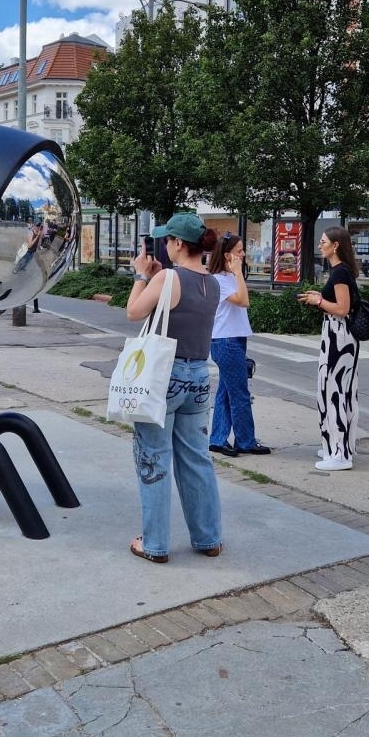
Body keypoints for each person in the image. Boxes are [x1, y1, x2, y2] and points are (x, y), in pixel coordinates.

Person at [124, 213, 222, 563]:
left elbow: (133, 312)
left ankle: (155, 544)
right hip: (198, 376)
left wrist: (140, 275)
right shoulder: (212, 282)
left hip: (164, 377)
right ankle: (208, 537)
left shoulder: (167, 277)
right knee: (197, 459)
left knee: (154, 456)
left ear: (179, 243)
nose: (164, 246)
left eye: (167, 240)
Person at [299, 227, 360, 472]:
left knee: (334, 393)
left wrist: (319, 301)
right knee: (333, 391)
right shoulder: (339, 271)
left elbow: (343, 309)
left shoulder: (340, 272)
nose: (320, 245)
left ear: (336, 245)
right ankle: (335, 445)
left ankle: (340, 453)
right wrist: (319, 297)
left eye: (323, 241)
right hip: (337, 337)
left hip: (340, 338)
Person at [207, 231, 270, 457]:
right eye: (239, 251)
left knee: (226, 392)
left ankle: (217, 439)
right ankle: (245, 441)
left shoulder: (229, 278)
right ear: (227, 256)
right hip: (226, 340)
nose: (244, 254)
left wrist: (236, 274)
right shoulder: (218, 280)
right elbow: (243, 301)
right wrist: (238, 273)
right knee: (240, 394)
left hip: (234, 338)